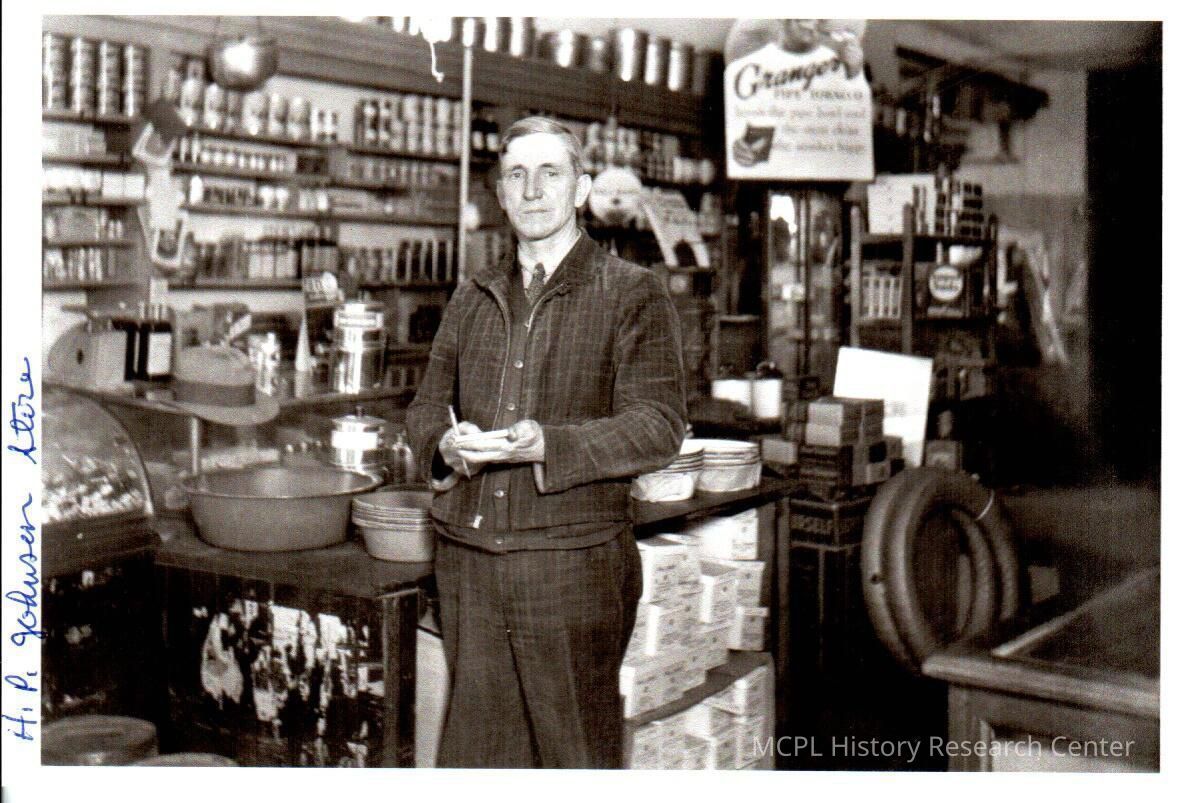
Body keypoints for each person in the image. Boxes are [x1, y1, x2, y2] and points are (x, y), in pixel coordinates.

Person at [406, 116, 687, 768]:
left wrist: (548, 446)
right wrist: (444, 446)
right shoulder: (470, 295)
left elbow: (658, 425)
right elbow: (422, 409)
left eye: (550, 173)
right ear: (501, 195)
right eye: (517, 175)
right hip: (470, 564)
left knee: (573, 757)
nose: (532, 190)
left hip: (572, 565)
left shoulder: (631, 292)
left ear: (581, 189)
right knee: (478, 760)